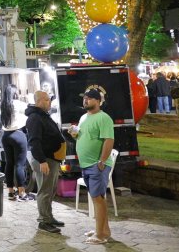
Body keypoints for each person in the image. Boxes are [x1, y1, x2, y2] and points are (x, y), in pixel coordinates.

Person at [71, 89, 115, 245]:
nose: (85, 101)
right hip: (86, 164)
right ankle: (104, 230)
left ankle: (100, 235)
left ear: (98, 101)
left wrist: (102, 160)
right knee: (97, 198)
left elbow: (108, 140)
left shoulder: (104, 118)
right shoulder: (84, 117)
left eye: (89, 99)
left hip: (97, 165)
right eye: (84, 98)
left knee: (98, 199)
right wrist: (75, 134)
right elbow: (86, 136)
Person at [25, 90, 65, 234]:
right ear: (39, 101)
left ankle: (49, 217)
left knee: (50, 189)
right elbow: (34, 141)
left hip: (51, 158)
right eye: (47, 100)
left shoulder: (42, 116)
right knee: (45, 191)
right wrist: (42, 160)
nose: (49, 102)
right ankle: (44, 221)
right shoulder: (35, 118)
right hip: (45, 159)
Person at [0, 84, 31, 201]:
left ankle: (11, 192)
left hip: (6, 135)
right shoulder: (18, 104)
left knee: (9, 163)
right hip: (18, 134)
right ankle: (22, 192)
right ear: (14, 93)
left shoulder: (1, 106)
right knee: (20, 165)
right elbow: (29, 108)